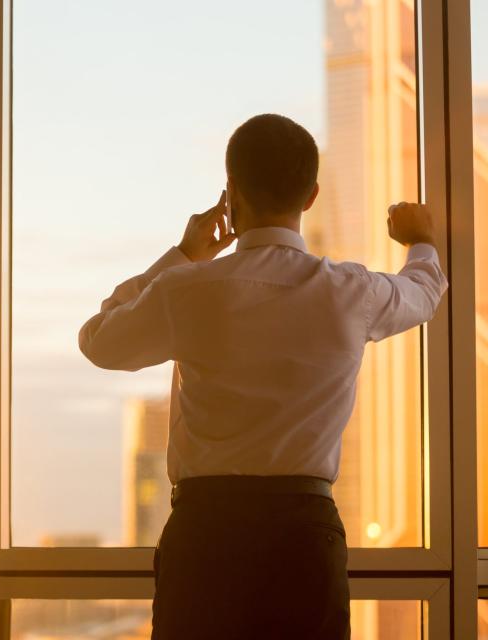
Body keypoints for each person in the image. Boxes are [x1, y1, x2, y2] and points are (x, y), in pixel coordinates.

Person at [78, 113, 448, 639]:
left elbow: (98, 341)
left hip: (206, 535)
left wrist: (182, 255)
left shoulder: (188, 288)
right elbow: (424, 293)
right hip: (304, 535)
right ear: (312, 195)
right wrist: (421, 241)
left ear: (230, 192)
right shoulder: (350, 292)